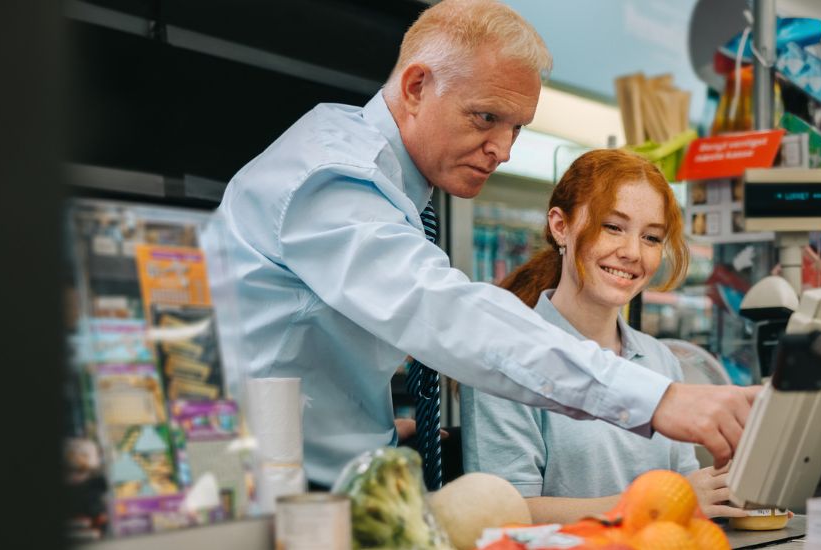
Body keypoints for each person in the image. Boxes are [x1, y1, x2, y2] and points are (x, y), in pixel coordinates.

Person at [205, 0, 760, 488]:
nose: (504, 149)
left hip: (329, 478)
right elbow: (446, 314)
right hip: (259, 493)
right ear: (416, 87)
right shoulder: (332, 176)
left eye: (517, 127)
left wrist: (363, 426)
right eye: (486, 117)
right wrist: (657, 399)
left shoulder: (391, 185)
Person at [461, 150, 751, 524]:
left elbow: (689, 493)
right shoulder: (504, 359)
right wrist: (656, 502)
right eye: (612, 227)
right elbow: (505, 514)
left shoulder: (660, 359)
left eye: (651, 237)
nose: (632, 252)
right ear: (560, 226)